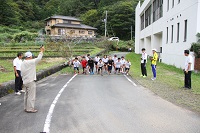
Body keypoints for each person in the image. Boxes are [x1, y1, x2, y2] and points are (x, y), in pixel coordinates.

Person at [21, 46, 45, 113]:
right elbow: (39, 58)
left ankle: (26, 107)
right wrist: (42, 51)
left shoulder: (23, 63)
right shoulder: (31, 62)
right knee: (31, 95)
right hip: (30, 81)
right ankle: (30, 108)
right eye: (31, 56)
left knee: (26, 95)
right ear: (30, 56)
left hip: (25, 81)